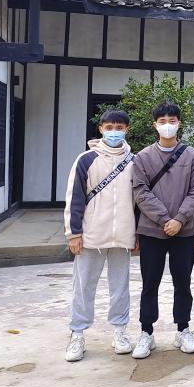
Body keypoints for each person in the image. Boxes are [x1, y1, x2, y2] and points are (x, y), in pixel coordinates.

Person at [131, 101, 194, 358]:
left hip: (184, 231)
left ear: (179, 123)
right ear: (154, 125)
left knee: (183, 281)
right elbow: (140, 191)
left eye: (171, 121)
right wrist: (165, 219)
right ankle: (146, 332)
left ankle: (183, 329)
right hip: (152, 230)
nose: (167, 125)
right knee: (149, 282)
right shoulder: (143, 157)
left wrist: (179, 220)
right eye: (162, 121)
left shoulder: (193, 156)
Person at [63, 109, 137, 362]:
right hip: (91, 235)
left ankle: (120, 332)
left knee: (120, 287)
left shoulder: (134, 161)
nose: (114, 131)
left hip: (123, 236)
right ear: (101, 129)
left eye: (119, 127)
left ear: (126, 130)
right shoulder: (86, 159)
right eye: (109, 127)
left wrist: (137, 233)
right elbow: (75, 198)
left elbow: (138, 200)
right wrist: (73, 233)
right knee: (83, 286)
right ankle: (77, 334)